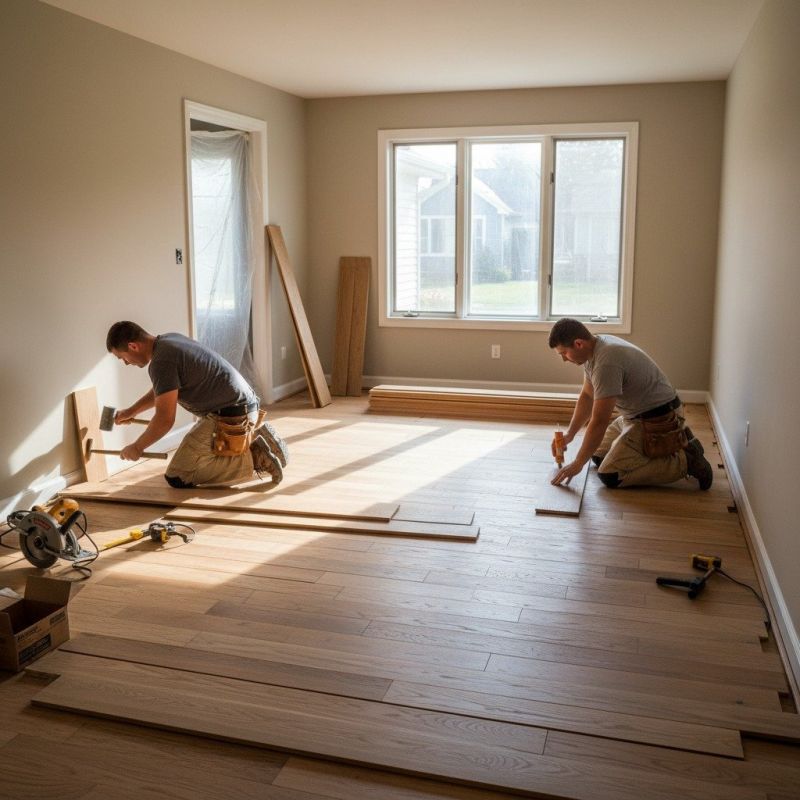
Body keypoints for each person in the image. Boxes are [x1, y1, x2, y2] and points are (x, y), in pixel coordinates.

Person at [105, 321, 288, 489]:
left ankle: (256, 456)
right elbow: (163, 389)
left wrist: (137, 447)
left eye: (123, 357)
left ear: (133, 346)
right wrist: (131, 411)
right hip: (245, 407)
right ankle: (256, 437)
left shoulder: (162, 362)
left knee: (179, 475)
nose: (126, 363)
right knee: (197, 459)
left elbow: (164, 420)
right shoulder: (169, 341)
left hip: (231, 416)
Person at [547, 318, 712, 490]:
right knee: (597, 455)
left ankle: (686, 460)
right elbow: (588, 396)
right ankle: (655, 449)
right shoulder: (594, 350)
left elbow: (599, 421)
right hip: (634, 415)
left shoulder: (606, 362)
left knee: (611, 475)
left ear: (578, 343)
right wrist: (570, 434)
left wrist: (578, 463)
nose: (564, 360)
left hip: (659, 418)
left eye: (563, 353)